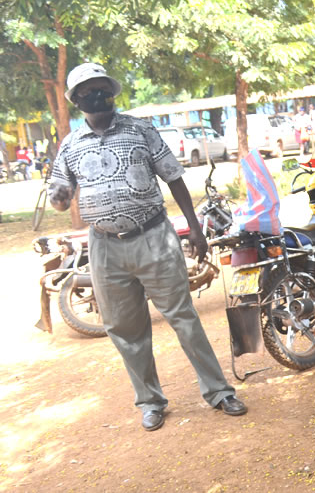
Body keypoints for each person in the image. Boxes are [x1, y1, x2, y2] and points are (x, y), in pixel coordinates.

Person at [48, 63, 247, 432]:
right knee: (126, 329)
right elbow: (61, 197)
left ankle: (219, 392)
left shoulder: (140, 129)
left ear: (112, 93)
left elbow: (173, 178)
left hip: (154, 237)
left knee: (183, 318)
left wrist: (196, 230)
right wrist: (57, 193)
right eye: (89, 91)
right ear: (76, 100)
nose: (98, 96)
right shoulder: (70, 145)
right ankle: (150, 401)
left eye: (102, 89)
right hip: (105, 247)